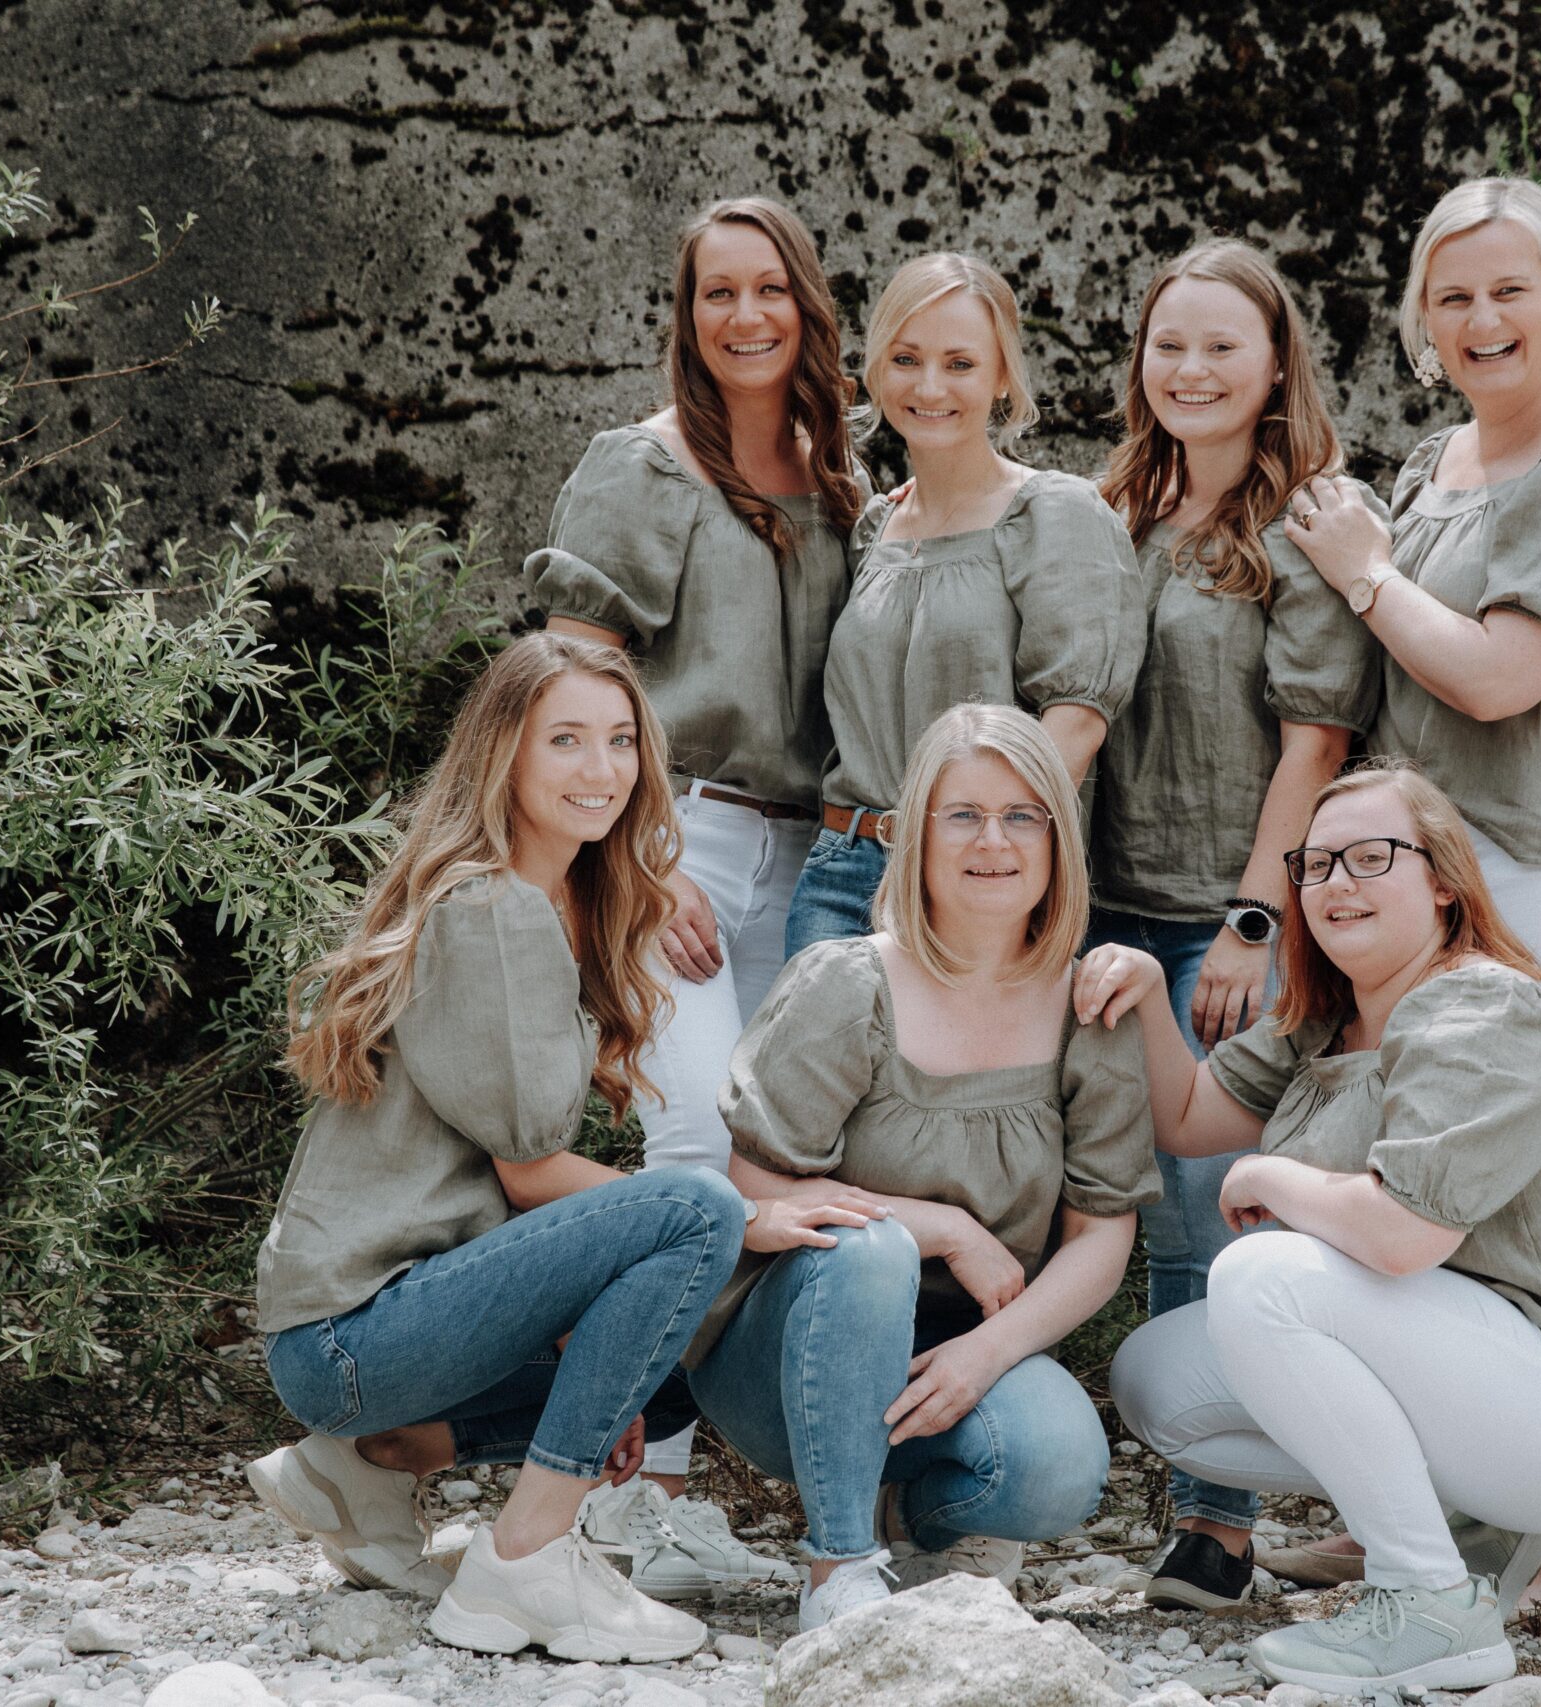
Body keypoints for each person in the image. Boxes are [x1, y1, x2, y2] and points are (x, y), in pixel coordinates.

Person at [245, 634, 870, 1661]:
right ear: (506, 754)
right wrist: (749, 1216)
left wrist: (609, 1337)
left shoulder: (560, 902)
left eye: (622, 741)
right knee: (702, 1215)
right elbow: (530, 1172)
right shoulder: (491, 909)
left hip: (403, 1326)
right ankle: (526, 1558)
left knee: (688, 1339)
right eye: (566, 740)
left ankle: (364, 1465)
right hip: (356, 1333)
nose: (602, 768)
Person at [1087, 761, 1541, 1694]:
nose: (1337, 881)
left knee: (1262, 1278)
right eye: (1316, 863)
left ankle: (1427, 1602)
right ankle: (1466, 1530)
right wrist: (1142, 990)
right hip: (1486, 1376)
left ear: (1444, 880)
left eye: (1372, 856)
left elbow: (1404, 1237)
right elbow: (1182, 1114)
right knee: (1158, 1376)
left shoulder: (1482, 1008)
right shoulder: (1327, 1024)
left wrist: (1271, 1175)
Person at [521, 197, 865, 1592]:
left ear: (808, 307)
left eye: (769, 289)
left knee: (787, 1159)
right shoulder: (644, 468)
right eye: (717, 292)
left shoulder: (846, 479)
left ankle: (768, 1472)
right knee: (690, 1145)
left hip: (819, 856)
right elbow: (565, 683)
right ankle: (635, 1490)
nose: (744, 316)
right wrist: (636, 861)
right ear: (686, 313)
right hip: (683, 839)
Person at [689, 703, 1159, 1631]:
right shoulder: (848, 982)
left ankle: (915, 1519)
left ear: (1058, 839)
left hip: (955, 1353)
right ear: (916, 835)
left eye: (1022, 816)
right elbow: (755, 1190)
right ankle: (836, 1564)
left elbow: (1102, 1236)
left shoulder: (1088, 1007)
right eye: (964, 815)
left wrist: (990, 1351)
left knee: (1058, 1465)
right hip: (791, 1350)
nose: (994, 841)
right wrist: (944, 1228)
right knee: (873, 1250)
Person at [1087, 239, 1381, 1611]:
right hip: (1094, 910)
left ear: (1275, 366)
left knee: (1212, 1215)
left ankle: (1219, 1523)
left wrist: (1257, 919)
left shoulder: (1303, 523)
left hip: (1226, 920)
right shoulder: (1106, 511)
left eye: (1222, 346)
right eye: (1170, 345)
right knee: (1115, 1205)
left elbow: (1316, 739)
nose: (1191, 369)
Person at [1286, 174, 1541, 1110]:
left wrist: (1366, 574)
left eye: (1509, 290)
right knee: (1419, 1164)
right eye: (1454, 297)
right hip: (1420, 875)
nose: (1483, 319)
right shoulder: (1431, 465)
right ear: (1425, 319)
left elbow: (1500, 679)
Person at [783, 252, 1145, 956]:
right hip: (840, 871)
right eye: (906, 359)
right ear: (876, 369)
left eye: (960, 364)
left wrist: (975, 857)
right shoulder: (875, 526)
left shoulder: (1055, 514)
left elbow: (1075, 726)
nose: (929, 386)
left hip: (977, 874)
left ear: (1002, 375)